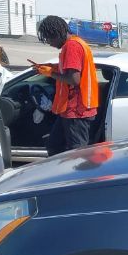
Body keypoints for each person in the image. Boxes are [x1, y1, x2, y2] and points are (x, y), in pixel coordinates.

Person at [34, 16, 98, 156]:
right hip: (70, 109)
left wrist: (50, 73)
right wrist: (53, 67)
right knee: (54, 146)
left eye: (49, 39)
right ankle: (61, 174)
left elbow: (74, 79)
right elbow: (70, 70)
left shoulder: (72, 47)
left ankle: (78, 177)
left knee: (77, 154)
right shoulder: (76, 43)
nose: (50, 43)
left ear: (57, 33)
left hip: (77, 110)